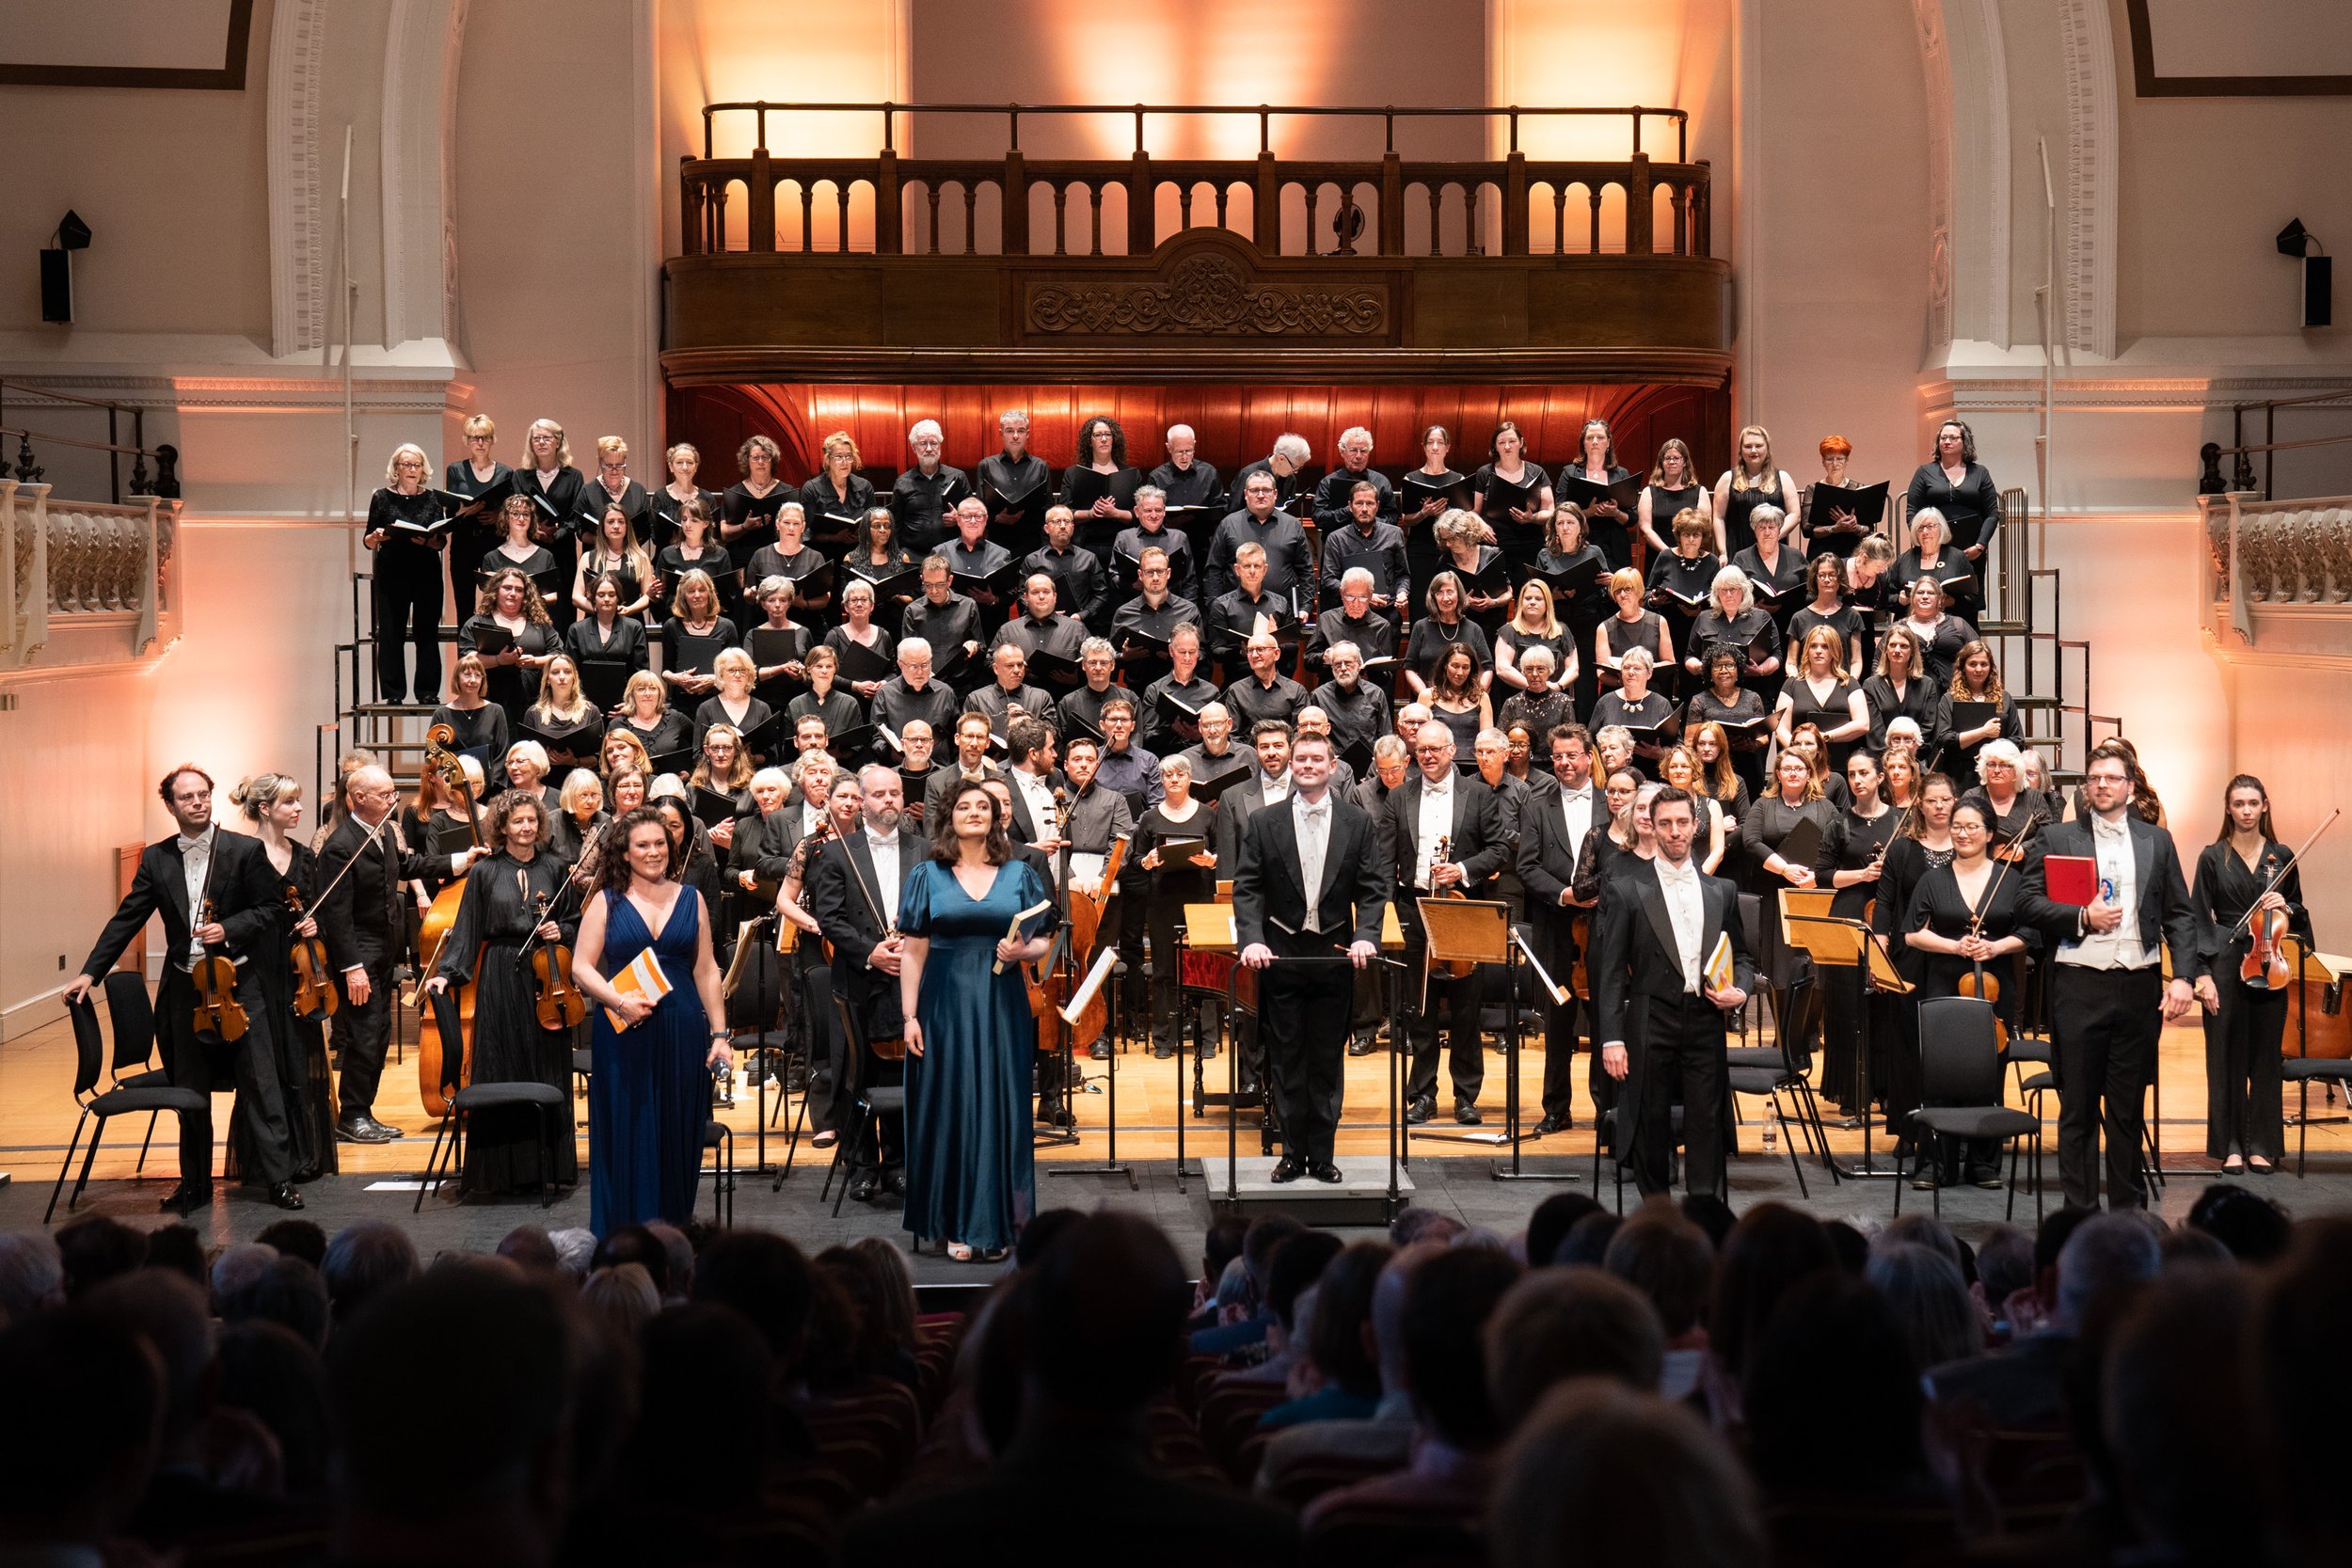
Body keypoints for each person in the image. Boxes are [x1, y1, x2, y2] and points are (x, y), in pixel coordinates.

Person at [66, 767, 300, 1212]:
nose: (198, 802)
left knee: (260, 1083)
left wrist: (228, 928)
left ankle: (278, 1180)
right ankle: (194, 1184)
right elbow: (127, 918)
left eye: (204, 795)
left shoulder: (245, 851)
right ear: (171, 806)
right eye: (187, 797)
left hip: (239, 983)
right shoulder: (156, 859)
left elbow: (271, 908)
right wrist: (90, 973)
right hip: (183, 989)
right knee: (190, 1089)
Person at [2021, 742, 2208, 1211]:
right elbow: (2026, 903)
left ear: (2129, 786)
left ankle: (2129, 1212)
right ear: (2085, 787)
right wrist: (2081, 917)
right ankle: (2079, 1214)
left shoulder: (2156, 841)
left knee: (2126, 1110)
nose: (2100, 784)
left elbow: (2181, 916)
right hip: (2080, 983)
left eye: (2110, 778)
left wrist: (2183, 976)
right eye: (2093, 778)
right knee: (2079, 1107)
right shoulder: (2057, 837)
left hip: (2137, 985)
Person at [895, 779, 1057, 1260]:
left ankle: (999, 1226)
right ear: (950, 817)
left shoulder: (1020, 874)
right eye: (964, 806)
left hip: (1002, 1002)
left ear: (996, 817)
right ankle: (957, 1225)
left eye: (982, 806)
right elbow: (913, 952)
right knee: (953, 1110)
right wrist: (909, 1016)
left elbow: (1045, 941)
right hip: (943, 1006)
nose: (973, 813)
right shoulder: (927, 874)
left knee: (1002, 1108)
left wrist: (1023, 948)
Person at [1236, 732, 1391, 1181]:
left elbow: (1373, 887)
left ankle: (1322, 1155)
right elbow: (1247, 886)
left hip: (1335, 956)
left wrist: (1366, 935)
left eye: (1315, 759)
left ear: (1331, 765)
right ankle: (1291, 1154)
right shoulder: (1264, 821)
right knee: (1285, 1059)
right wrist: (1251, 938)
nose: (1307, 764)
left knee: (1326, 1059)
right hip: (1280, 957)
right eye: (1300, 758)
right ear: (1290, 763)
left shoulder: (1356, 822)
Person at [571, 806, 733, 1234]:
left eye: (660, 843)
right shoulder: (606, 900)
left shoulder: (691, 898)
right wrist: (617, 1001)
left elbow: (706, 969)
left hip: (682, 1030)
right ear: (624, 853)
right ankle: (622, 1237)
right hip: (624, 1030)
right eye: (642, 845)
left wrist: (720, 1034)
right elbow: (581, 968)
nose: (653, 851)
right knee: (627, 1131)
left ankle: (671, 1235)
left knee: (678, 1134)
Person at [1590, 786, 1756, 1198]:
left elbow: (1745, 959)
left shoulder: (1724, 891)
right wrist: (1611, 1038)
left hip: (1705, 1017)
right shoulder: (1626, 888)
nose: (1675, 831)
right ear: (1652, 826)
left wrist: (1741, 990)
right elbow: (1610, 972)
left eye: (1682, 823)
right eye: (1665, 823)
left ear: (1696, 826)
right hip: (1650, 1016)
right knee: (1650, 1119)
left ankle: (1706, 1211)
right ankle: (1657, 1216)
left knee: (1708, 1118)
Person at [316, 766, 479, 1148]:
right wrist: (351, 967)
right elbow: (335, 916)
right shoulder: (340, 845)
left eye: (393, 793)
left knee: (380, 1034)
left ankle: (364, 1113)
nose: (394, 800)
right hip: (359, 956)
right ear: (358, 799)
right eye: (385, 795)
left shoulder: (385, 831)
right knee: (363, 1037)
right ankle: (352, 1115)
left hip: (383, 952)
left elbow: (411, 866)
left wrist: (460, 861)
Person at [426, 790, 579, 1195]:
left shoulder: (556, 868)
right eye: (517, 822)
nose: (526, 827)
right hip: (500, 973)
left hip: (548, 978)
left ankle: (547, 1168)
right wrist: (447, 973)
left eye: (532, 820)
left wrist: (559, 930)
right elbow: (467, 928)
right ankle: (499, 1171)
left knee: (546, 1063)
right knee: (502, 1059)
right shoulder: (485, 872)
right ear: (503, 827)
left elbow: (575, 922)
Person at [1901, 799, 2034, 1188]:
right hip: (1943, 982)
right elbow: (1912, 932)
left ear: (1990, 833)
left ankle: (1984, 1164)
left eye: (1972, 826)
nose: (1963, 833)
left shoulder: (2010, 878)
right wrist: (1954, 945)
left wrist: (1995, 947)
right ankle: (1935, 1164)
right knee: (1940, 1073)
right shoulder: (1932, 878)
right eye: (1957, 826)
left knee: (1989, 1074)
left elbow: (2029, 934)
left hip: (1995, 988)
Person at [805, 765, 916, 1202]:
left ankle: (899, 1162)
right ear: (863, 801)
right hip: (857, 978)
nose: (888, 800)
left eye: (895, 793)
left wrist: (910, 947)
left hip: (908, 978)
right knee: (857, 1073)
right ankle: (862, 1165)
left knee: (900, 1071)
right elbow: (828, 918)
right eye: (879, 794)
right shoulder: (836, 853)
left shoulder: (923, 849)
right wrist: (870, 952)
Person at [1390, 721, 1506, 1125]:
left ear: (1452, 748)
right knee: (1418, 1008)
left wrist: (1461, 869)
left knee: (1465, 1008)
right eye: (1421, 749)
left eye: (1435, 749)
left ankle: (1465, 1095)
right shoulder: (1399, 796)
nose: (1428, 756)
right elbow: (1386, 859)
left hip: (1461, 908)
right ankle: (1423, 1093)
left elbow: (1499, 849)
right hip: (1414, 908)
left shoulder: (1477, 794)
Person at [2192, 774, 2309, 1175]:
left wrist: (2287, 906)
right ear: (2228, 808)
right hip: (2225, 962)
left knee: (2264, 1058)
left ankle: (2261, 1144)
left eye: (2252, 803)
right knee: (2224, 1057)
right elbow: (2197, 918)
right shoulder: (2212, 856)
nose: (2245, 810)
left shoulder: (2282, 855)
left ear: (2264, 807)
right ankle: (2231, 1146)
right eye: (2238, 803)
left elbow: (2299, 913)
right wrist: (2202, 973)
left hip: (2269, 963)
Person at [228, 773, 340, 1183]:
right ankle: (267, 1162)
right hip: (257, 968)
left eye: (298, 801)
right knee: (264, 1067)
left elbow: (315, 907)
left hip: (298, 969)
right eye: (290, 802)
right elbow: (233, 914)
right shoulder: (240, 854)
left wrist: (315, 925)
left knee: (298, 1058)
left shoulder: (304, 856)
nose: (298, 809)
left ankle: (304, 1157)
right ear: (264, 809)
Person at [1519, 724, 1600, 1136]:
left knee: (1605, 1019)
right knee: (1557, 1020)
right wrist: (1565, 895)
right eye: (1557, 756)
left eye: (1572, 755)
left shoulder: (1612, 802)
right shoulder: (1536, 804)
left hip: (1603, 928)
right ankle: (1556, 1108)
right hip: (1555, 925)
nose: (1564, 763)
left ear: (1589, 756)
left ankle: (1608, 1110)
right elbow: (1527, 866)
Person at [1815, 750, 1897, 1115]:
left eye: (1864, 772)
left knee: (1884, 1005)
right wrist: (1863, 875)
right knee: (1846, 1003)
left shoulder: (1899, 821)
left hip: (1885, 918)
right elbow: (1822, 874)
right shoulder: (1839, 822)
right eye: (1851, 773)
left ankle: (1885, 1086)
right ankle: (1852, 1090)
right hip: (1848, 915)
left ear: (1880, 777)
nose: (1857, 779)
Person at [1135, 755, 1220, 1059]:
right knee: (1164, 971)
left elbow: (1220, 851)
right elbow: (1137, 858)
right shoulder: (1150, 818)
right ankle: (1163, 1039)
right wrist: (1147, 862)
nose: (1174, 780)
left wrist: (1212, 861)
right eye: (1168, 776)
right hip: (1162, 899)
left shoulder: (1207, 816)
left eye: (1180, 775)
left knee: (1203, 968)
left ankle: (1207, 1039)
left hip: (1199, 898)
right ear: (1161, 780)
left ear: (1189, 779)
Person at [364, 443, 452, 705]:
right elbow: (368, 539)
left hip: (426, 572)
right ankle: (393, 693)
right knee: (391, 633)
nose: (412, 469)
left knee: (427, 633)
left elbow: (441, 541)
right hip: (392, 572)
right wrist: (376, 536)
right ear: (396, 468)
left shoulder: (433, 498)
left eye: (416, 465)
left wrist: (429, 541)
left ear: (423, 469)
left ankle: (426, 691)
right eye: (406, 465)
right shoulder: (381, 497)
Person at [1208, 467, 1314, 610]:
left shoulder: (1292, 525)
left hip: (1281, 612)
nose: (1260, 495)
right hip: (1235, 611)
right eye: (1254, 490)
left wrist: (1305, 606)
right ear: (1245, 494)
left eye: (1266, 490)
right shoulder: (1228, 524)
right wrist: (1215, 606)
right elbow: (1213, 570)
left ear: (1275, 493)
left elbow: (1306, 570)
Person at [1904, 417, 2002, 571]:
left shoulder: (1980, 472)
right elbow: (1912, 512)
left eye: (1953, 438)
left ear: (1965, 442)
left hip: (1972, 549)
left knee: (1973, 592)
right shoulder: (1924, 472)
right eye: (1943, 438)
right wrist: (1925, 541)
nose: (1947, 441)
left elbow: (1992, 513)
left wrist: (1980, 546)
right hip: (1933, 548)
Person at [1773, 624, 1869, 774]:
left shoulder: (1849, 683)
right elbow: (1780, 728)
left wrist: (1825, 737)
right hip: (1800, 767)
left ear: (1834, 650)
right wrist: (1800, 752)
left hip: (1841, 766)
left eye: (1825, 646)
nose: (1818, 651)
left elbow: (1863, 724)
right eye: (1813, 646)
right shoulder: (1792, 684)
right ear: (1807, 650)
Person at [1317, 476, 1410, 629]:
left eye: (1370, 503)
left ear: (1378, 506)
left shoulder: (1394, 534)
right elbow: (1328, 579)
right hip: (1349, 616)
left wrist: (1402, 592)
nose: (1365, 509)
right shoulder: (1336, 538)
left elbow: (1403, 574)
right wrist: (1363, 596)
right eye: (1359, 503)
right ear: (1350, 506)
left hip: (1387, 616)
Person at [444, 413, 513, 601]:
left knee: (497, 601)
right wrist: (466, 512)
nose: (480, 443)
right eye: (475, 438)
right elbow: (450, 512)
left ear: (492, 440)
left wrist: (497, 516)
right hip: (463, 543)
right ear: (467, 440)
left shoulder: (505, 472)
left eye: (485, 438)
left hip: (494, 543)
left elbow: (510, 511)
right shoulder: (455, 470)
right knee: (464, 600)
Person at [1472, 420, 1554, 573]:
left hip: (1529, 543)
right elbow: (1474, 511)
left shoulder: (1536, 472)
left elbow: (1550, 511)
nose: (1507, 446)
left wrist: (1533, 518)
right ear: (1495, 446)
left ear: (1521, 443)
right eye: (1502, 442)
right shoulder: (1484, 472)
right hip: (1495, 543)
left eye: (1512, 441)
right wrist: (1480, 525)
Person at [1710, 423, 1800, 558]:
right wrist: (1723, 552)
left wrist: (1772, 536)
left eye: (1758, 446)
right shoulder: (1727, 479)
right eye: (1747, 446)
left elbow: (1794, 514)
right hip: (1737, 550)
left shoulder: (1783, 478)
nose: (1753, 451)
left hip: (1773, 551)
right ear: (1740, 450)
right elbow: (1718, 518)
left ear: (1767, 448)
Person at [1060, 414, 1142, 562]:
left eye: (1107, 434)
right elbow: (1064, 512)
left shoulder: (1131, 474)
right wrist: (1091, 513)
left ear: (1113, 438)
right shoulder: (1073, 473)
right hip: (1084, 545)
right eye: (1097, 435)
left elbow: (1140, 514)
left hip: (1122, 545)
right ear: (1090, 441)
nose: (1103, 439)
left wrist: (1115, 513)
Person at [1558, 417, 1635, 567]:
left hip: (1615, 548)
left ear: (1608, 443)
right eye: (1590, 438)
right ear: (1584, 444)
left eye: (1600, 437)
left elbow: (1632, 518)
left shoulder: (1621, 474)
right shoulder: (1570, 473)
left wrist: (1616, 513)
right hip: (1580, 544)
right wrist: (1588, 512)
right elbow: (1559, 510)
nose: (1595, 441)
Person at [888, 418, 971, 555]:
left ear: (940, 446)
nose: (928, 449)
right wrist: (896, 556)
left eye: (933, 443)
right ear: (914, 448)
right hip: (911, 554)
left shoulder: (958, 477)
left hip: (951, 553)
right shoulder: (902, 482)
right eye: (922, 443)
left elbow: (973, 514)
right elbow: (896, 524)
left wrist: (959, 518)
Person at [1025, 503, 1113, 630]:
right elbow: (1023, 596)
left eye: (1067, 521)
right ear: (1046, 528)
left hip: (1081, 626)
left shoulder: (1089, 558)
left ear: (1073, 527)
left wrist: (1082, 615)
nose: (1062, 526)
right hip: (1042, 625)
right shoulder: (1032, 560)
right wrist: (1043, 615)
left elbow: (1101, 594)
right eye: (1057, 522)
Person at [1864, 623, 1942, 756]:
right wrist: (1895, 759)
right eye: (1893, 645)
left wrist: (1909, 756)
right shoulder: (1871, 685)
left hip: (1917, 758)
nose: (1897, 650)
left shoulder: (1927, 685)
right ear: (1886, 650)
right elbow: (1875, 733)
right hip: (1883, 759)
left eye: (1904, 646)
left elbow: (1928, 728)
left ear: (1912, 651)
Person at [1786, 551, 1864, 678]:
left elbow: (1856, 661)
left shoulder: (1852, 616)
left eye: (1832, 575)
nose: (1827, 580)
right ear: (1815, 579)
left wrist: (1851, 684)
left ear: (1839, 578)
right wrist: (1797, 683)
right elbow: (1791, 662)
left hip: (1842, 686)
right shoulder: (1799, 618)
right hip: (1807, 687)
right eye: (1822, 575)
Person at [795, 430, 873, 555]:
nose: (844, 462)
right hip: (822, 553)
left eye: (848, 456)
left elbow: (873, 524)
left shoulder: (864, 486)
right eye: (838, 457)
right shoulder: (811, 488)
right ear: (828, 460)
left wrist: (861, 536)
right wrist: (833, 538)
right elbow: (805, 532)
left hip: (857, 552)